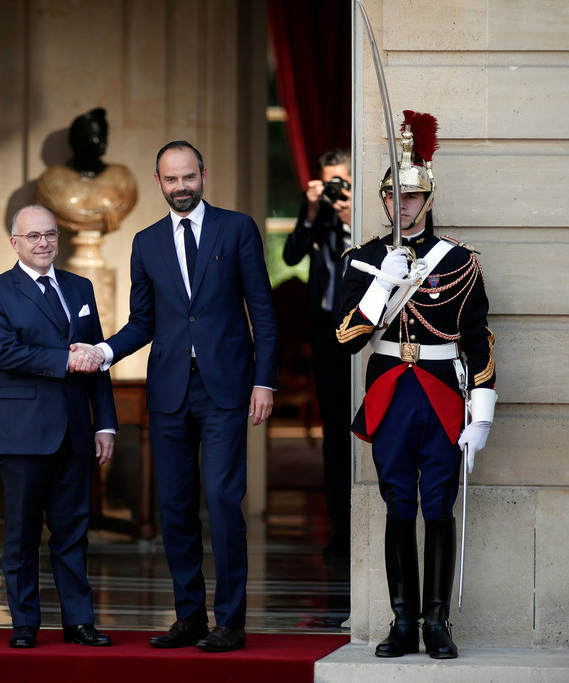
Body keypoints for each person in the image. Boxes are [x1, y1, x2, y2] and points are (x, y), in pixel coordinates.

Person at [74, 141, 278, 653]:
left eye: (189, 177)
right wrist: (103, 350)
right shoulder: (145, 242)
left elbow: (264, 312)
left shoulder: (238, 229)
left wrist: (264, 380)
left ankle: (230, 621)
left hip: (227, 389)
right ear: (159, 183)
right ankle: (190, 617)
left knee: (224, 501)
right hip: (167, 392)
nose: (181, 187)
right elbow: (143, 322)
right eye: (171, 179)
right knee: (175, 507)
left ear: (203, 175)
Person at [335, 112, 496, 659]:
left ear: (427, 201)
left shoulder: (460, 263)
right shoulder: (364, 260)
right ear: (382, 202)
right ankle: (403, 621)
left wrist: (483, 413)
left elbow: (478, 340)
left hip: (443, 395)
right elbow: (346, 338)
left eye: (411, 198)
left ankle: (437, 623)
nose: (401, 206)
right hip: (389, 394)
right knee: (398, 503)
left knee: (438, 506)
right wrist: (383, 282)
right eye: (393, 197)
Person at [0, 204, 117, 649]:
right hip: (21, 432)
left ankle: (79, 622)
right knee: (21, 533)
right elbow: (5, 354)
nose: (43, 243)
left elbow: (96, 360)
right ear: (14, 242)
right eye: (32, 236)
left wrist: (105, 423)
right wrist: (65, 359)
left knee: (73, 532)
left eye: (49, 235)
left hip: (75, 429)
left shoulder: (80, 286)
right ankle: (24, 623)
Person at [282, 148, 354, 557]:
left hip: (368, 331)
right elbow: (291, 256)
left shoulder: (361, 212)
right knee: (333, 432)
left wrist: (350, 216)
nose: (334, 189)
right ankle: (339, 530)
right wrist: (310, 212)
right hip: (327, 333)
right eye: (328, 182)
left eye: (341, 181)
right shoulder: (317, 215)